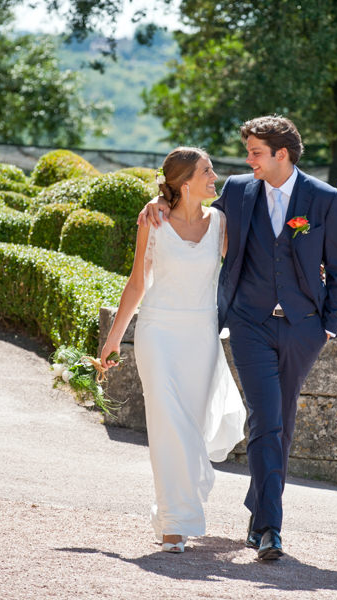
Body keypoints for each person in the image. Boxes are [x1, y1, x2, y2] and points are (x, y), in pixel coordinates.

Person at [139, 116, 337, 560]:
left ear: (282, 154)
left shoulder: (325, 199)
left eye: (256, 152)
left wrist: (328, 323)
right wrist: (156, 205)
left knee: (281, 422)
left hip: (302, 327)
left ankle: (258, 510)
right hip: (249, 323)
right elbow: (189, 214)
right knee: (267, 416)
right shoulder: (236, 191)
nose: (248, 159)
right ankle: (271, 529)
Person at [101, 148, 246, 553]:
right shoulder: (154, 221)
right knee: (168, 425)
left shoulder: (221, 224)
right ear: (185, 183)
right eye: (207, 171)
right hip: (157, 333)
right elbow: (136, 283)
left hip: (201, 336)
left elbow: (248, 269)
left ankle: (176, 513)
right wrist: (114, 340)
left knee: (191, 428)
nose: (215, 176)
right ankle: (174, 525)